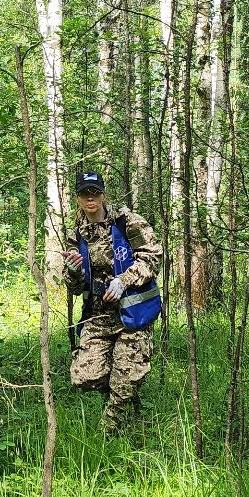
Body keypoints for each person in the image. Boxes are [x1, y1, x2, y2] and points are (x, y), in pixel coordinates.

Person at [61, 169, 162, 434]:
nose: (90, 198)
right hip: (98, 314)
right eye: (84, 193)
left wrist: (123, 280)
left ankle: (109, 431)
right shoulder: (77, 234)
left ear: (103, 195)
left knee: (125, 376)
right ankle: (125, 392)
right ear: (77, 198)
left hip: (132, 312)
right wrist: (73, 271)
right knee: (84, 375)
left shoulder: (126, 222)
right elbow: (74, 287)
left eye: (95, 193)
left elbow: (153, 257)